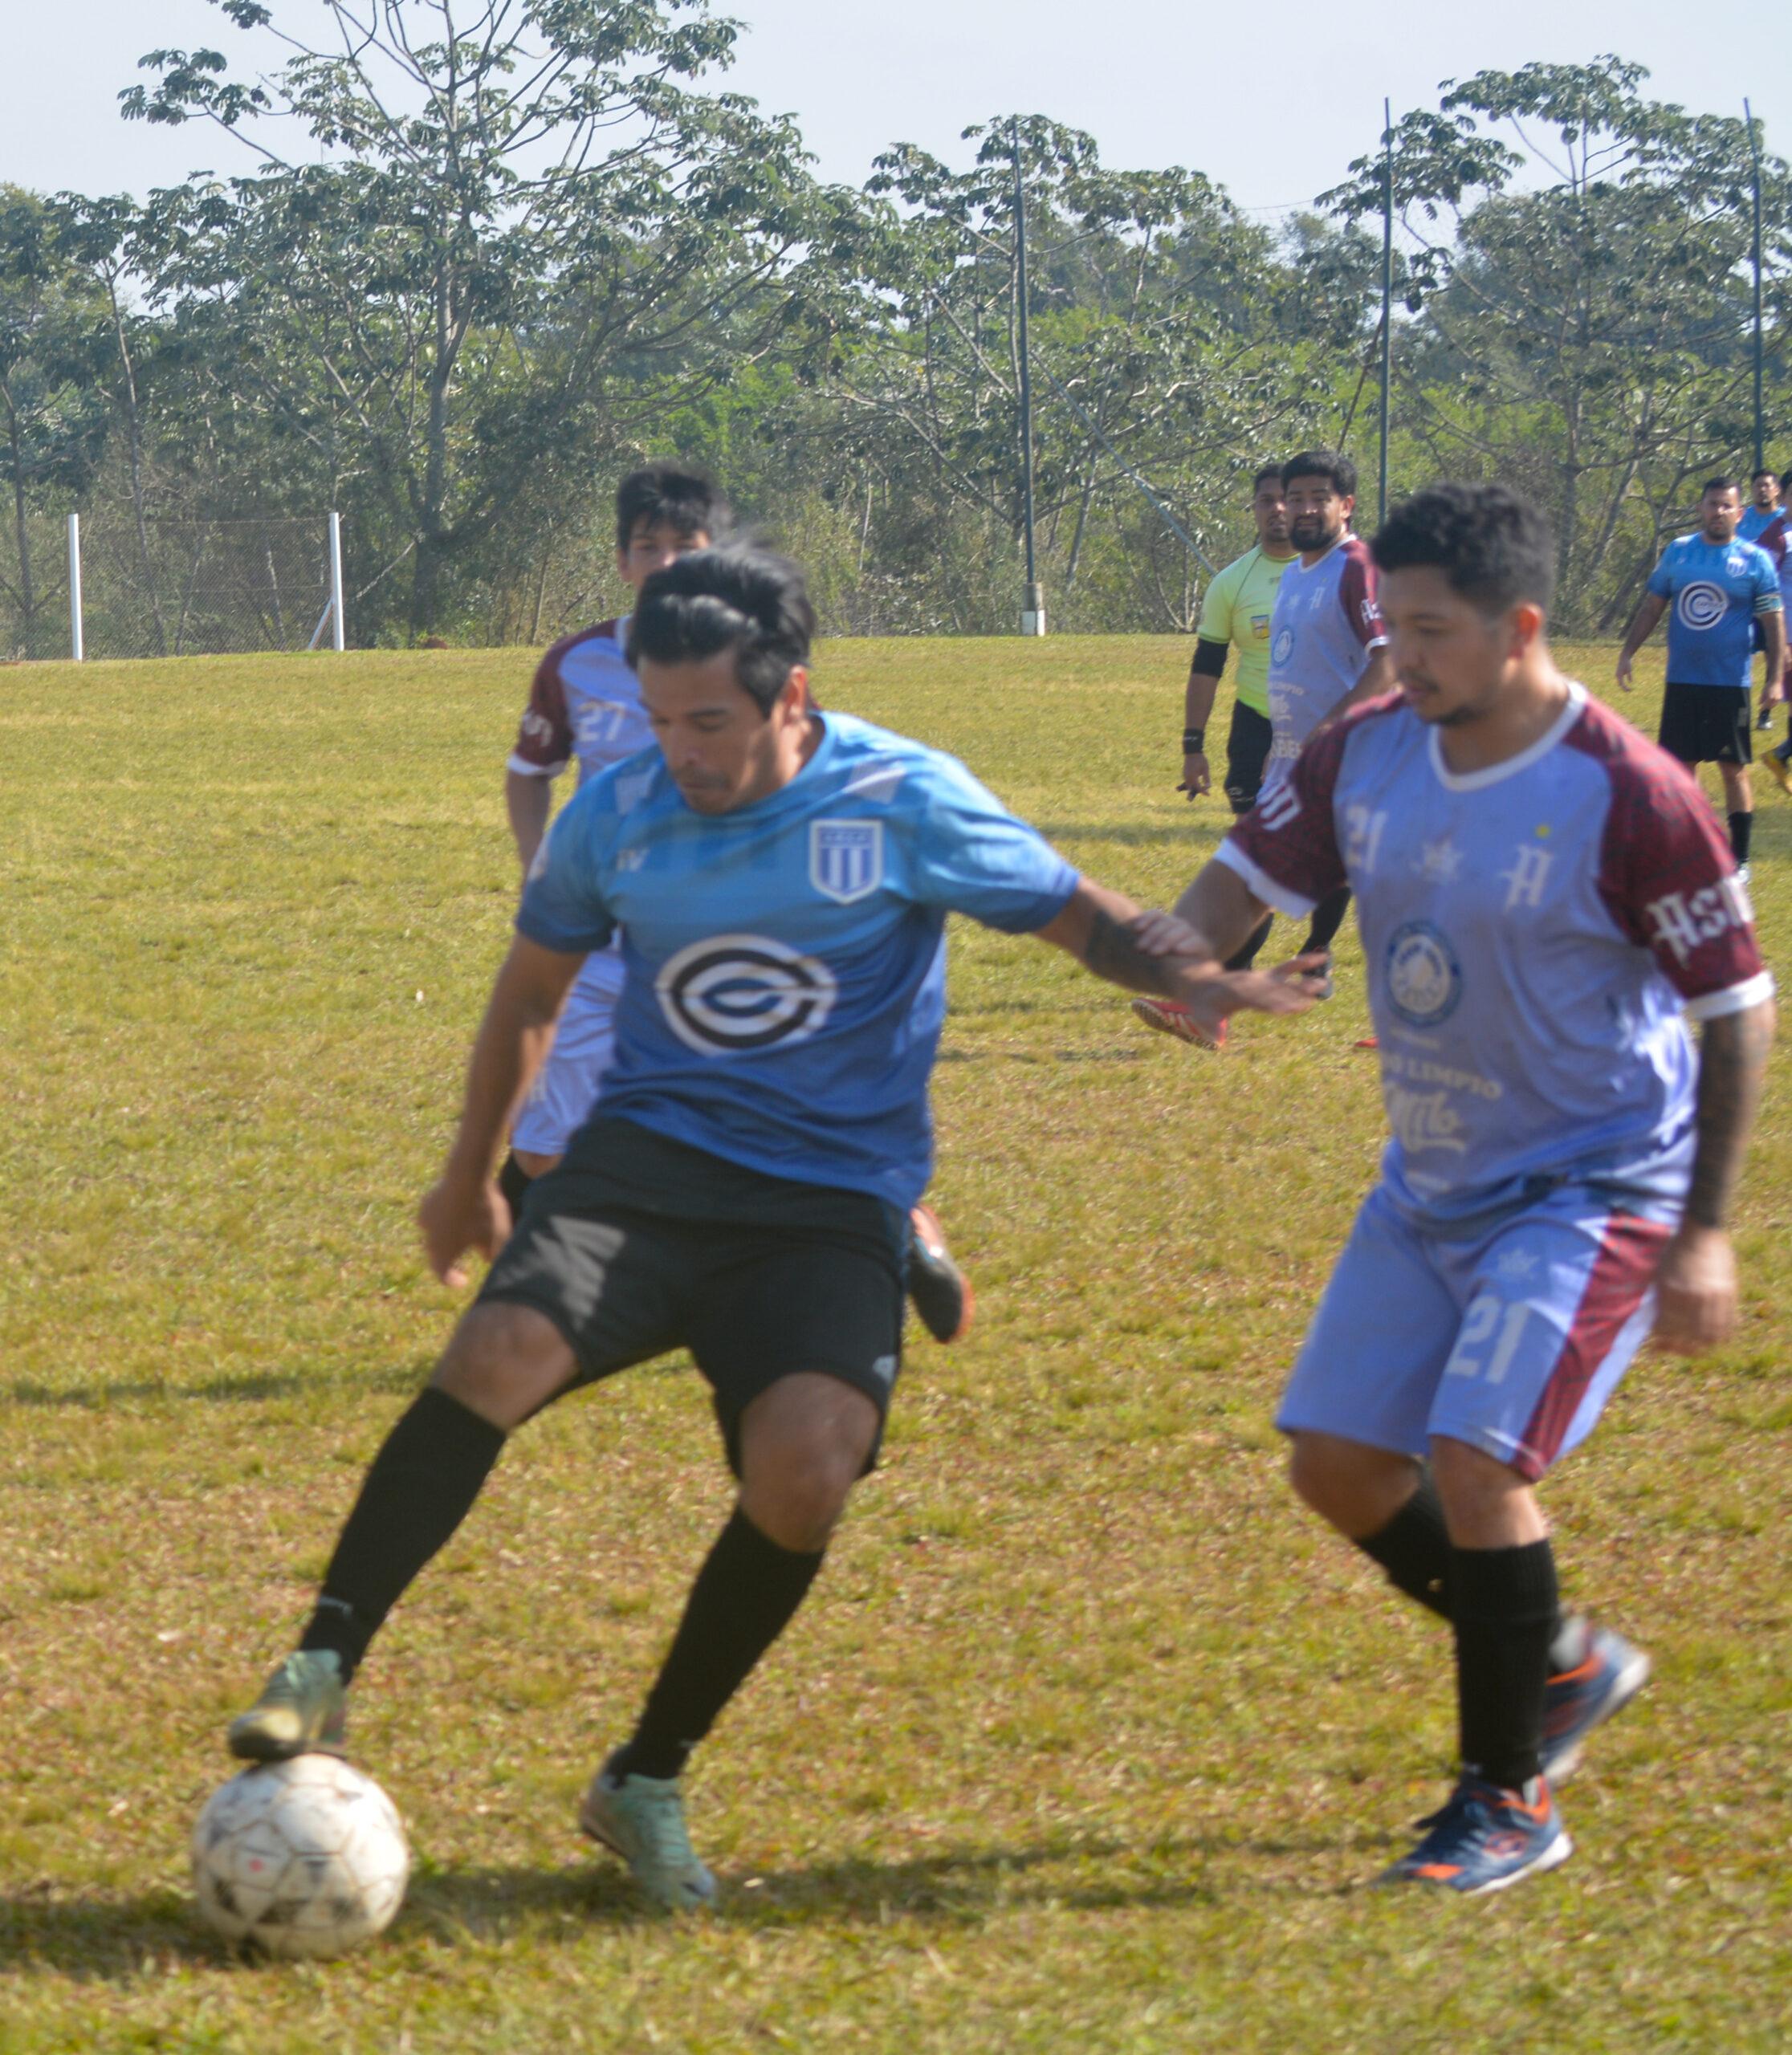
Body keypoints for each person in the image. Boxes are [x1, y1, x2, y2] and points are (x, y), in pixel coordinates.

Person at [223, 546, 1311, 1911]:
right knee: (493, 1352)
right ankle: (324, 1659)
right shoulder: (617, 812)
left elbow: (1084, 920)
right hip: (641, 1172)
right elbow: (531, 992)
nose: (677, 751)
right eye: (658, 718)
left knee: (807, 1471)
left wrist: (1199, 975)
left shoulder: (901, 796)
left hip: (827, 1204)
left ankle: (646, 1777)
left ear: (791, 695)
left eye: (708, 721)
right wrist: (465, 1173)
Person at [1138, 481, 1774, 1894]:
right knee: (1337, 1467)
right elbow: (1238, 880)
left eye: (1429, 634)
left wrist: (1705, 1231)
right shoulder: (1365, 746)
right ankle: (1558, 1662)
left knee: (1476, 1457)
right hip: (1428, 1179)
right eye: (1396, 629)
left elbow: (1735, 1009)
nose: (1402, 658)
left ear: (1519, 629)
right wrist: (1183, 967)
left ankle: (1507, 1798)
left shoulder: (1628, 788)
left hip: (1596, 1181)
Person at [500, 462, 971, 1345]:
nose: (666, 564)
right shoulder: (577, 663)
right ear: (620, 561)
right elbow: (530, 771)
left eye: (685, 546)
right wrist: (541, 873)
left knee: (774, 1111)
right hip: (605, 936)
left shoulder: (756, 661)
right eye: (648, 547)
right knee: (540, 1147)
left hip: (729, 930)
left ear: (718, 555)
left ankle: (895, 1226)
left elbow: (811, 775)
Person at [1137, 447, 1394, 1048]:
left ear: (1347, 506)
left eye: (1318, 498)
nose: (1301, 509)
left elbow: (1390, 659)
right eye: (1293, 497)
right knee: (1254, 879)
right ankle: (1206, 1007)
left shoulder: (1357, 567)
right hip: (1294, 765)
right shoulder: (1299, 573)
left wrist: (1330, 732)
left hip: (1351, 765)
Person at [1616, 478, 1784, 877]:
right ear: (1700, 508)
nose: (1718, 512)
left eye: (1727, 505)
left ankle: (1739, 860)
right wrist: (1627, 652)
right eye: (1712, 504)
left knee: (1732, 769)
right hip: (1683, 680)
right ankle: (1683, 853)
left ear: (1739, 513)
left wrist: (1775, 678)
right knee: (1680, 769)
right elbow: (1652, 607)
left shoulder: (1755, 559)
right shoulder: (1679, 552)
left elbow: (1773, 623)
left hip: (1730, 683)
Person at [1173, 463, 1296, 971]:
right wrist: (1192, 745)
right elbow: (1207, 666)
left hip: (1319, 729)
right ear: (1254, 508)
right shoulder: (1232, 582)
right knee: (1258, 854)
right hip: (1254, 728)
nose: (1278, 510)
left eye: (1288, 499)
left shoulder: (1338, 574)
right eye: (1267, 500)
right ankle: (1230, 973)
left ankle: (1315, 950)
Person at [1738, 465, 1782, 543]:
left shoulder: (1787, 517)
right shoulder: (1740, 518)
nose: (1762, 489)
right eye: (1758, 486)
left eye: (1767, 485)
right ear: (1752, 490)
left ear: (1776, 490)